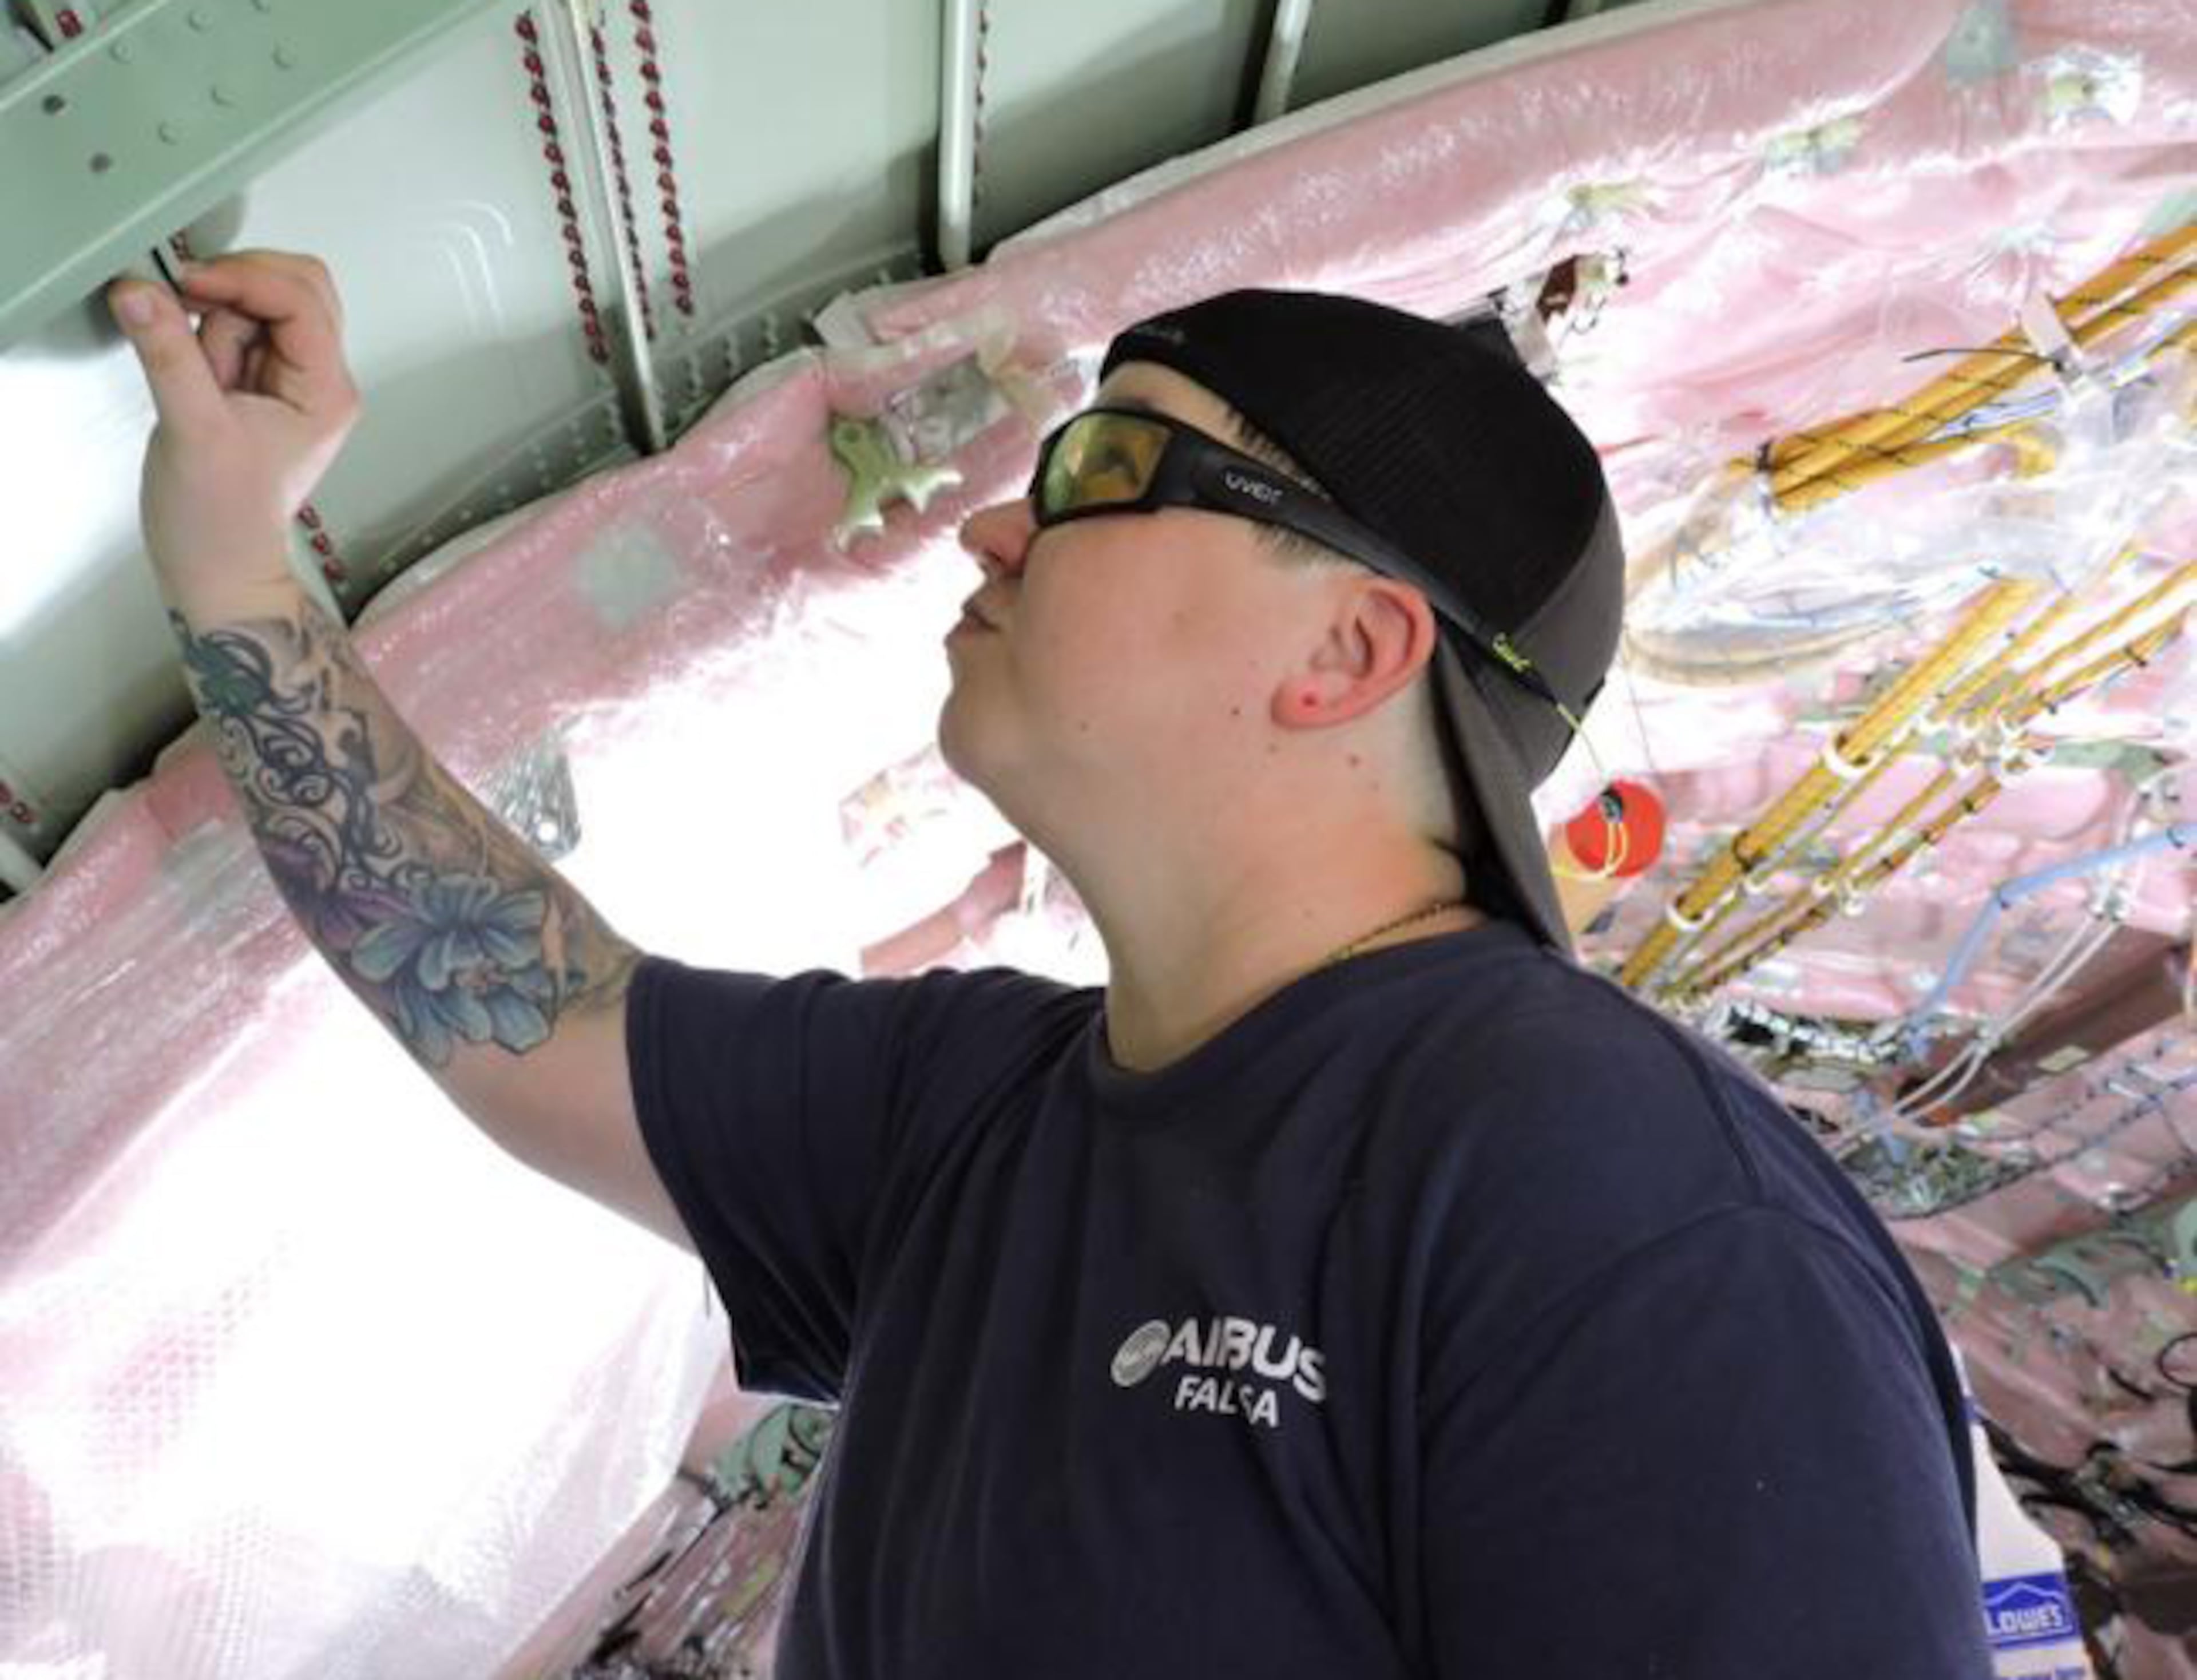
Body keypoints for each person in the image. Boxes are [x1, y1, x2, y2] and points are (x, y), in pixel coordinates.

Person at [109, 252, 1994, 1678]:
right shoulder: (976, 1110)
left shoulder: (1618, 1211)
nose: (1003, 518)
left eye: (1109, 462)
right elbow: (528, 1015)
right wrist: (233, 561)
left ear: (1344, 651)